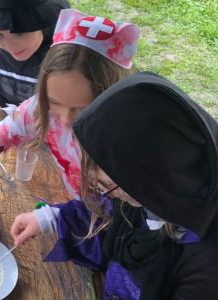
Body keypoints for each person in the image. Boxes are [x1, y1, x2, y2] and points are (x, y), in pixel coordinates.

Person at [0, 9, 140, 247]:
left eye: (82, 109)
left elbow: (130, 217)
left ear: (113, 100)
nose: (65, 121)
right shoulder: (39, 111)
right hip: (80, 214)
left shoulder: (131, 144)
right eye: (54, 102)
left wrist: (54, 217)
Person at [11, 71, 218, 299]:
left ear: (148, 181)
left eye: (106, 185)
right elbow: (104, 217)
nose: (105, 193)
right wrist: (48, 218)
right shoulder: (149, 195)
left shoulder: (205, 273)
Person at [0, 0, 69, 107]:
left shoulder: (67, 55)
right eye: (0, 35)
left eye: (19, 32)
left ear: (42, 21)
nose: (10, 45)